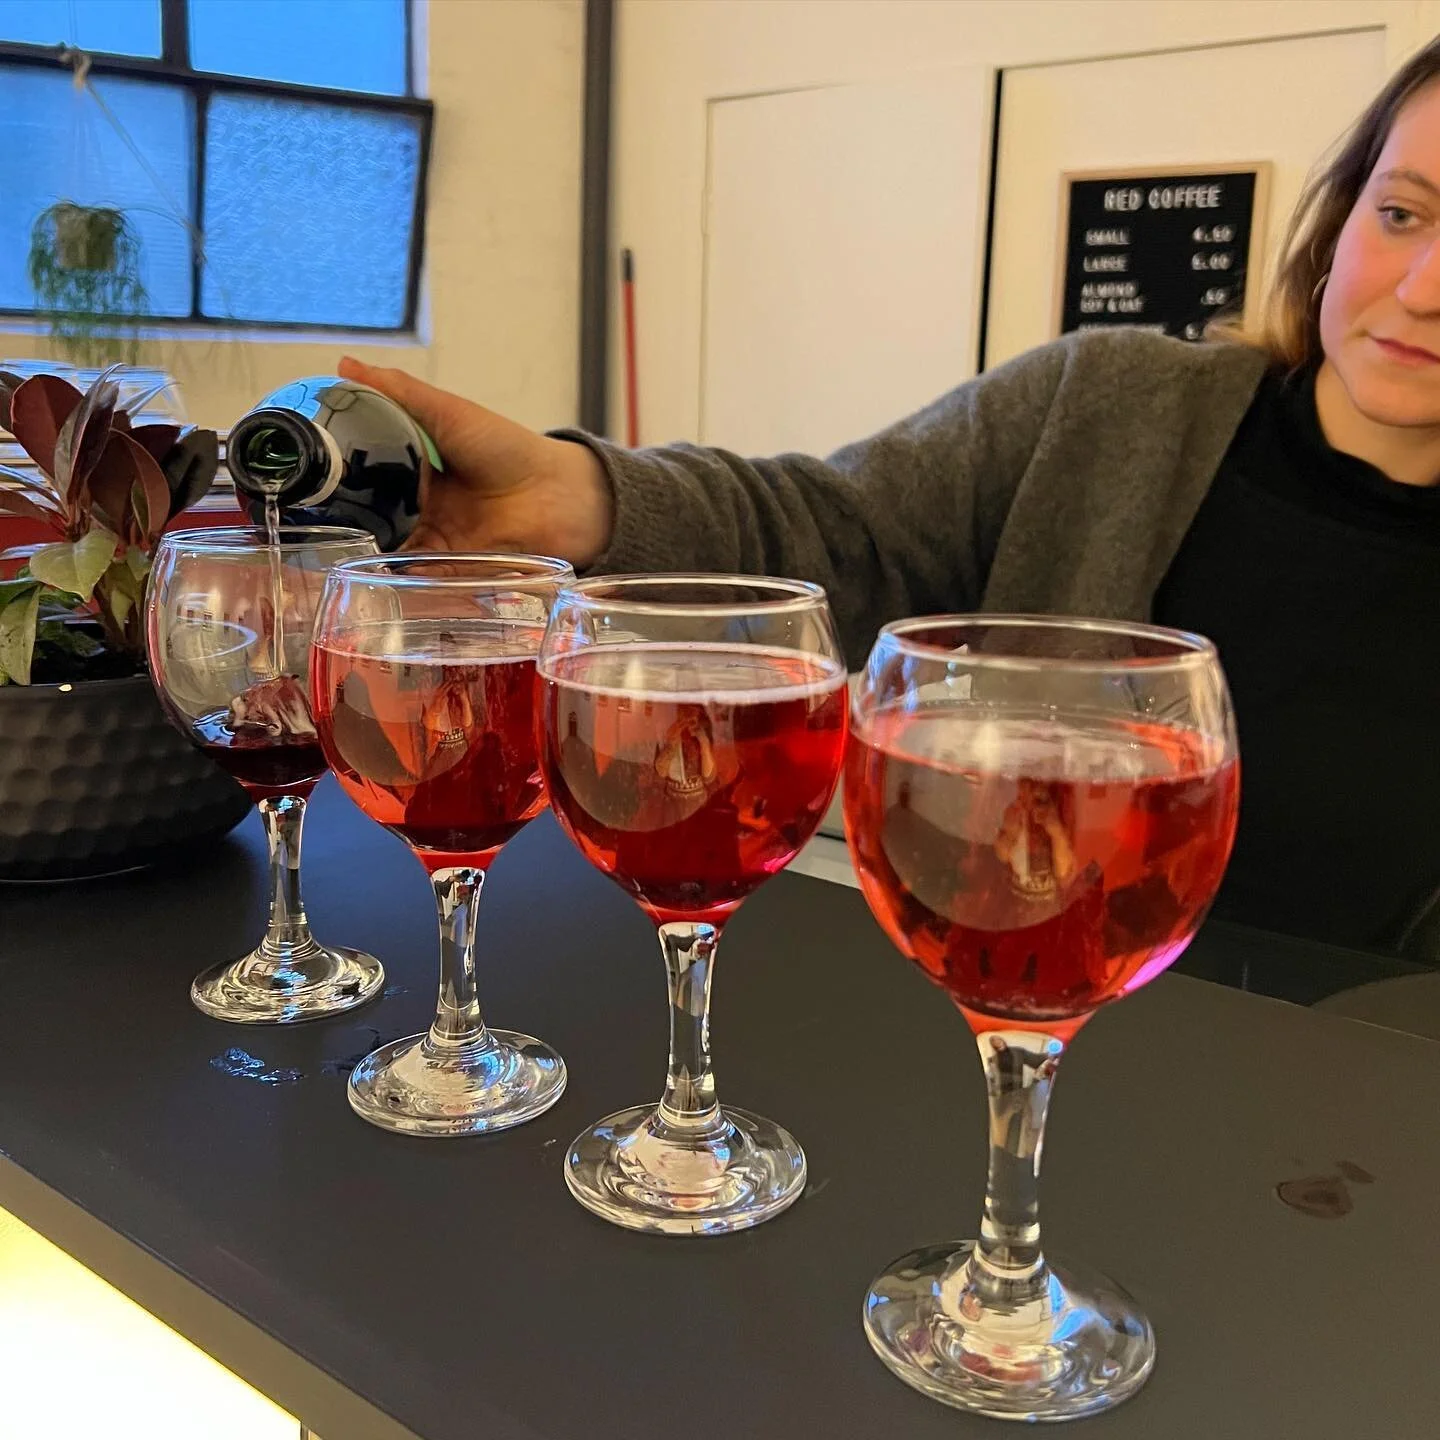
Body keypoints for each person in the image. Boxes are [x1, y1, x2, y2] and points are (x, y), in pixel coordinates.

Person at [336, 37, 1440, 959]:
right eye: (1402, 213)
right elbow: (833, 528)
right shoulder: (1111, 406)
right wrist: (574, 494)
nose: (1424, 287)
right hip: (1021, 1012)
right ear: (1340, 216)